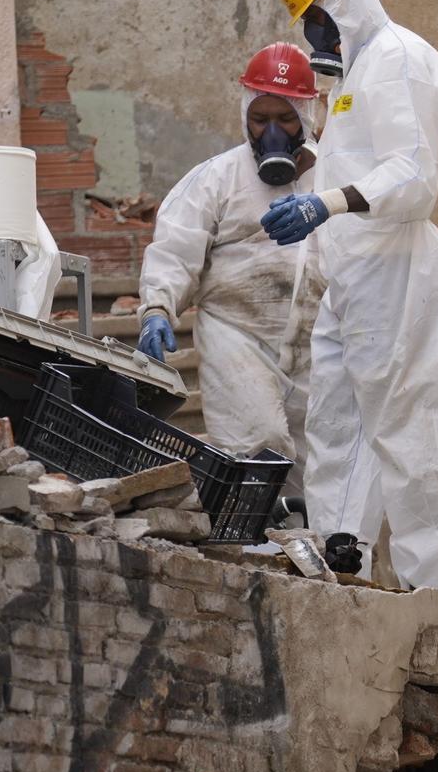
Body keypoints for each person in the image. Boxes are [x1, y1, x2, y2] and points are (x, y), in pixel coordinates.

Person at [260, 0, 438, 595]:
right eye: (309, 23)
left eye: (319, 16)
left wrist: (325, 204)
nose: (318, 32)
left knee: (411, 446)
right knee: (334, 427)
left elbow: (413, 177)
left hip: (399, 269)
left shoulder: (402, 59)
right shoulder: (350, 80)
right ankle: (345, 571)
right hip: (352, 280)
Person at [136, 43, 327, 486]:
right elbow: (175, 249)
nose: (272, 132)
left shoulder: (332, 180)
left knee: (322, 474)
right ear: (245, 115)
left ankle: (306, 554)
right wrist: (157, 310)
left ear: (307, 115)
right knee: (257, 446)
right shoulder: (216, 178)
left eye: (286, 119)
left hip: (318, 345)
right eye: (261, 120)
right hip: (237, 336)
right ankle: (251, 550)